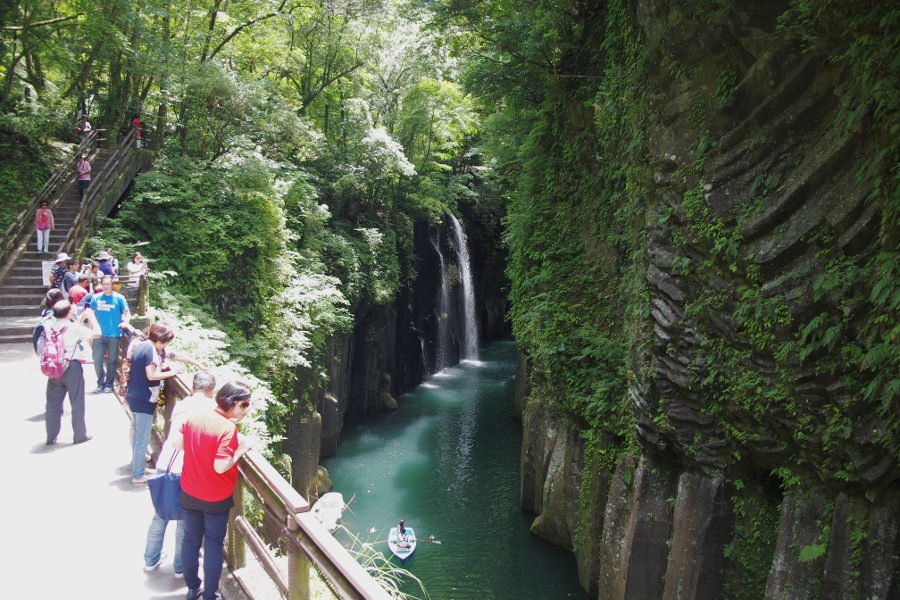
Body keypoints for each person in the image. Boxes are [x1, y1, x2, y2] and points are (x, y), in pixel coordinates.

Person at [174, 381, 253, 600]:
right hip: (215, 496)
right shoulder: (227, 428)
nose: (246, 410)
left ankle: (192, 588)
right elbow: (220, 465)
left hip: (190, 490)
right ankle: (210, 594)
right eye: (245, 405)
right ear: (233, 403)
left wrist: (200, 451)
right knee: (212, 545)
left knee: (190, 540)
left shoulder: (196, 416)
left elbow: (177, 442)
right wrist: (240, 450)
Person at [143, 371, 217, 575]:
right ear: (212, 391)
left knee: (160, 514)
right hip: (188, 471)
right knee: (186, 523)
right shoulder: (213, 409)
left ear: (193, 389)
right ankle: (180, 567)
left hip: (166, 463)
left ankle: (150, 559)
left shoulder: (182, 404)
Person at [126, 321, 203, 484]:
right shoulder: (152, 352)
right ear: (161, 339)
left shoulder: (142, 344)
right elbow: (151, 375)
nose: (167, 345)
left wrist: (196, 363)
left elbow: (175, 355)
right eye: (166, 341)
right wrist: (173, 372)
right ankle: (138, 476)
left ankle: (137, 466)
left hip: (133, 394)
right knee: (142, 437)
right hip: (144, 398)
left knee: (135, 430)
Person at [43, 300, 101, 445]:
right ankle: (79, 435)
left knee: (52, 403)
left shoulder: (48, 325)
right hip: (71, 367)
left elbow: (70, 325)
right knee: (76, 402)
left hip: (54, 366)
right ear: (69, 313)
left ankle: (51, 436)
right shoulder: (74, 328)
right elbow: (97, 333)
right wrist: (92, 317)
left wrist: (79, 319)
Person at [90, 275, 130, 393]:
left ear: (112, 285)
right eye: (104, 284)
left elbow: (127, 313)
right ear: (101, 285)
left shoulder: (119, 298)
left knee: (112, 360)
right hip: (98, 334)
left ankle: (109, 383)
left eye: (108, 284)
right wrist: (90, 333)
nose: (106, 286)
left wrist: (125, 322)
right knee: (97, 360)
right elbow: (91, 316)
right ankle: (100, 382)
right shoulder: (96, 298)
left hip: (114, 334)